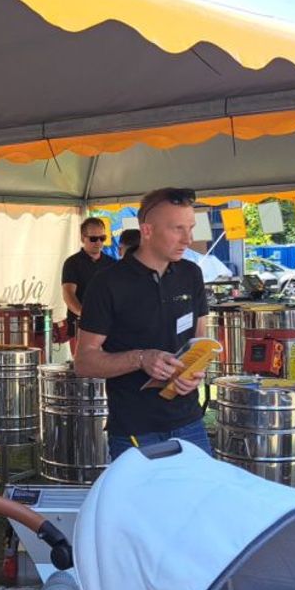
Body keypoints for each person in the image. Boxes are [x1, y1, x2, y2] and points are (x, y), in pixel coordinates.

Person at [74, 187, 212, 459]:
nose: (188, 239)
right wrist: (140, 359)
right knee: (143, 490)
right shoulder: (108, 283)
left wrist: (197, 371)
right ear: (147, 231)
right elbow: (84, 362)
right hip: (135, 426)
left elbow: (200, 340)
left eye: (190, 228)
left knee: (202, 488)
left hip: (189, 420)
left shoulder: (191, 274)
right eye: (177, 229)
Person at [61, 217, 115, 355]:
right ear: (82, 238)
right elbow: (68, 294)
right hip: (81, 327)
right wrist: (86, 315)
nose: (98, 242)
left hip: (108, 328)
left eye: (102, 238)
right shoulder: (72, 263)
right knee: (84, 366)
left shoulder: (112, 264)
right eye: (93, 239)